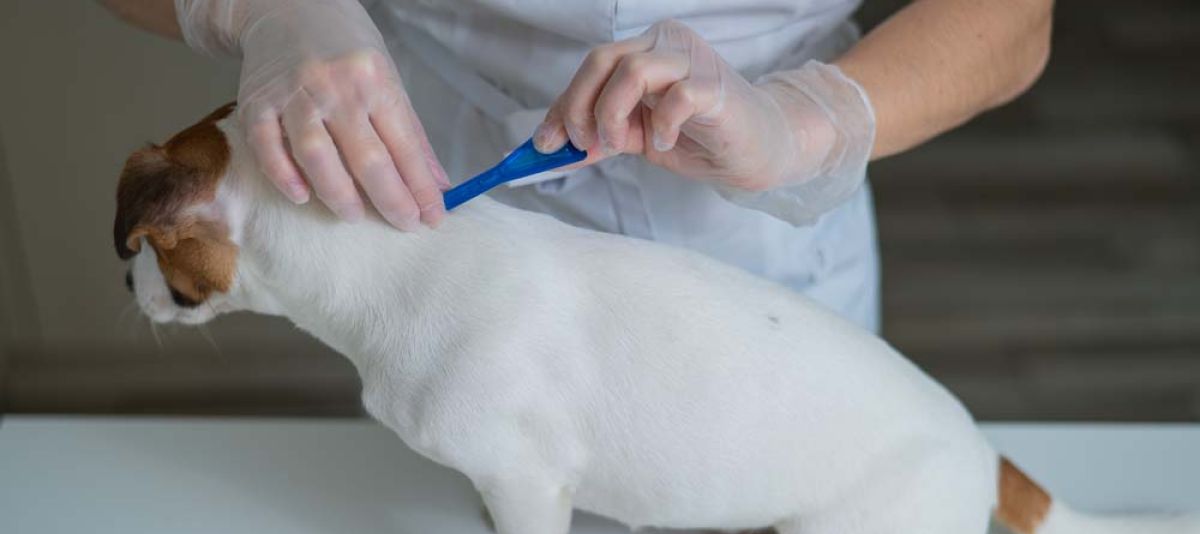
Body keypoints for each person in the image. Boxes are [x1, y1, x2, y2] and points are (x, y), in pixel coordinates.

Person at [102, 0, 1053, 332]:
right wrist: (265, 6)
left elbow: (1014, 20)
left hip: (762, 247)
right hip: (426, 210)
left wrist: (806, 129)